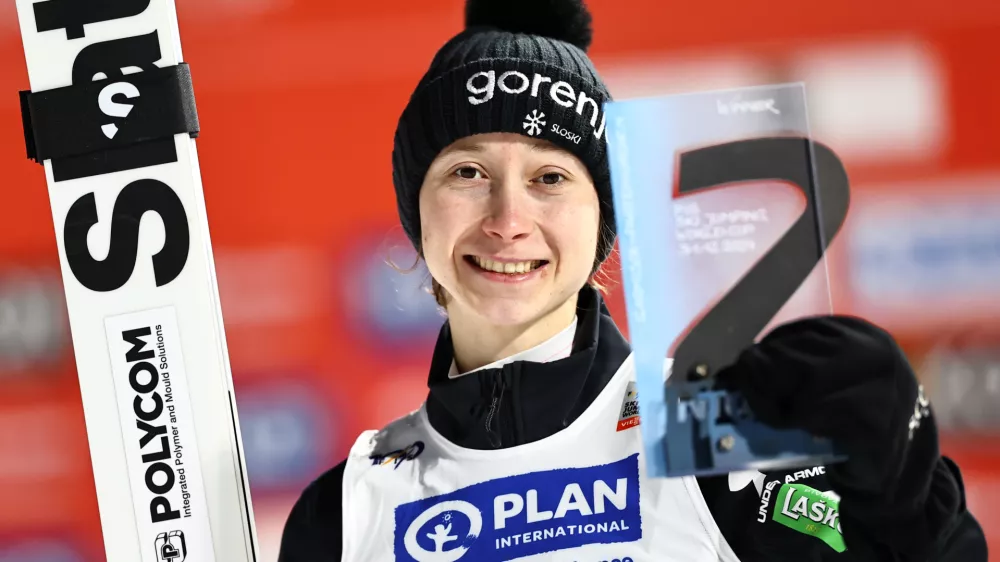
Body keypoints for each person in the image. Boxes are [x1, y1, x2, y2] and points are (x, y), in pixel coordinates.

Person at [278, 0, 988, 560]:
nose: (508, 219)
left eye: (550, 178)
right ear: (417, 211)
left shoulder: (712, 439)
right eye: (468, 172)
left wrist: (904, 493)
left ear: (602, 223)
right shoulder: (344, 514)